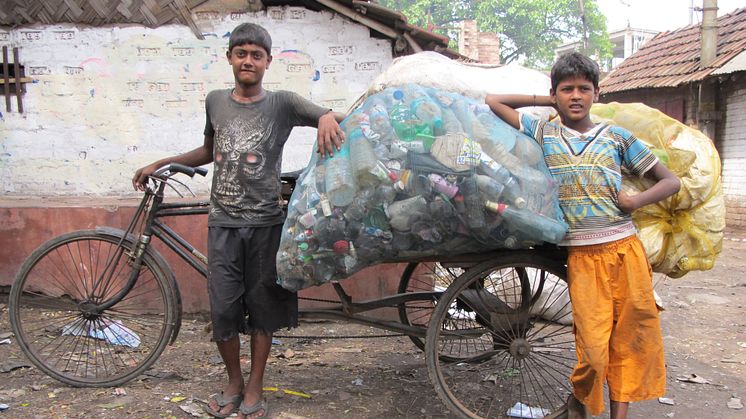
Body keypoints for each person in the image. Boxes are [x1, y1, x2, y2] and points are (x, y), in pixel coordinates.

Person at [133, 23, 346, 419]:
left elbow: (327, 115)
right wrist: (162, 163)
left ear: (268, 62)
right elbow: (209, 151)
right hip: (223, 224)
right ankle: (233, 379)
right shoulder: (215, 101)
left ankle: (254, 385)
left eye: (256, 55)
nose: (248, 60)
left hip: (266, 224)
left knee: (263, 307)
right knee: (224, 309)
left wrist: (327, 117)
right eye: (241, 53)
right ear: (229, 57)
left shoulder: (282, 103)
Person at [485, 52, 681, 419]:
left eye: (584, 89)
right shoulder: (544, 132)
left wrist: (635, 200)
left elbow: (671, 181)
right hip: (583, 258)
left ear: (596, 93)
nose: (576, 96)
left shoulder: (617, 138)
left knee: (628, 343)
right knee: (592, 351)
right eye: (567, 89)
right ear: (555, 93)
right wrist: (549, 102)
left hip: (625, 252)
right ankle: (581, 398)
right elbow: (494, 102)